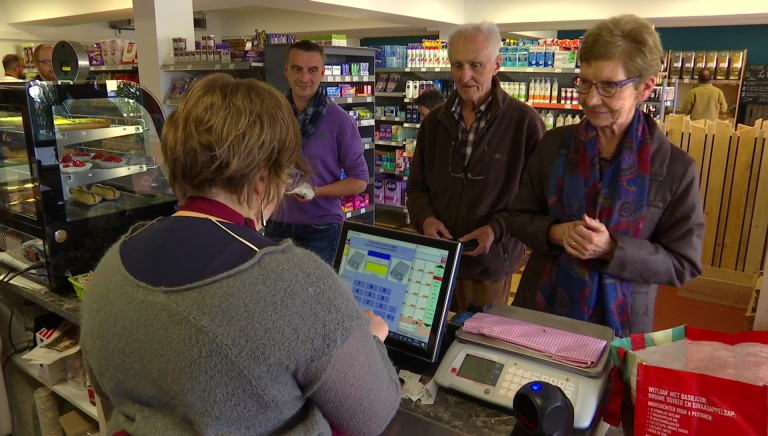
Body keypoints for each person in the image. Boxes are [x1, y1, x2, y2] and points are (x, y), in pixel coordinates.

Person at [79, 74, 400, 435]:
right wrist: (371, 337)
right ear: (262, 179)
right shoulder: (296, 281)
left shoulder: (112, 265)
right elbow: (372, 414)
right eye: (286, 173)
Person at [505, 14, 705, 337]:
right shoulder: (554, 145)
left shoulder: (675, 169)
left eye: (609, 86)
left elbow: (683, 263)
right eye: (584, 82)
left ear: (645, 87)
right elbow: (516, 217)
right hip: (540, 314)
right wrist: (556, 233)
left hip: (618, 327)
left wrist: (612, 249)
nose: (590, 98)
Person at [406, 21, 546, 312]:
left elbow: (534, 201)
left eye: (475, 65)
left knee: (479, 349)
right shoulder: (434, 123)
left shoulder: (524, 124)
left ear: (497, 64)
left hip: (490, 265)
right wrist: (425, 220)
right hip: (436, 262)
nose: (464, 76)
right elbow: (417, 186)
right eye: (457, 65)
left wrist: (496, 229)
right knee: (432, 343)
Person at [264, 40, 369, 265]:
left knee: (316, 297)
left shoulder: (340, 121)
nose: (304, 78)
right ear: (286, 70)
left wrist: (316, 191)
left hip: (321, 227)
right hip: (275, 222)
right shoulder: (271, 116)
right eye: (297, 69)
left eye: (312, 70)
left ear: (322, 73)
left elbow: (360, 181)